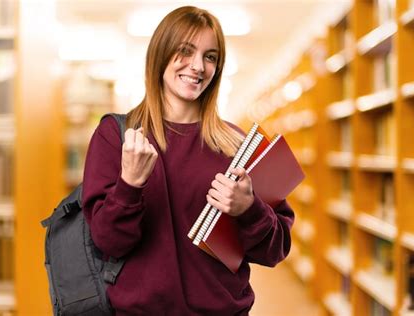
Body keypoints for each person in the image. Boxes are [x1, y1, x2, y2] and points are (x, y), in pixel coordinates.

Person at [82, 5, 294, 315]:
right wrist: (129, 185)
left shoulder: (239, 145)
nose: (198, 66)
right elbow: (108, 243)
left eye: (210, 57)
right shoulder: (117, 136)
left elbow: (276, 249)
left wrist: (249, 209)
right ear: (161, 54)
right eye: (185, 51)